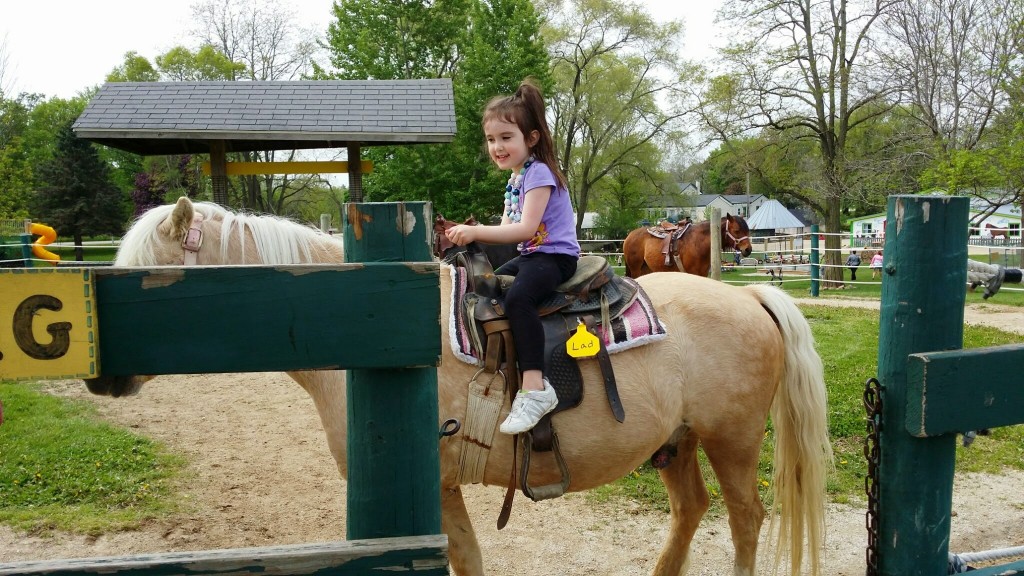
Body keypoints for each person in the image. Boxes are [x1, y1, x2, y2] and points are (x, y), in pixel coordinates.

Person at [445, 78, 580, 435]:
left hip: (554, 256)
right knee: (488, 286)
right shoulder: (517, 179)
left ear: (531, 139)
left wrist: (475, 232)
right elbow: (506, 226)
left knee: (520, 298)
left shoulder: (540, 173)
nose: (497, 147)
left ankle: (536, 386)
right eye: (491, 139)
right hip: (533, 255)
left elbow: (523, 229)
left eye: (506, 138)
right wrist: (472, 236)